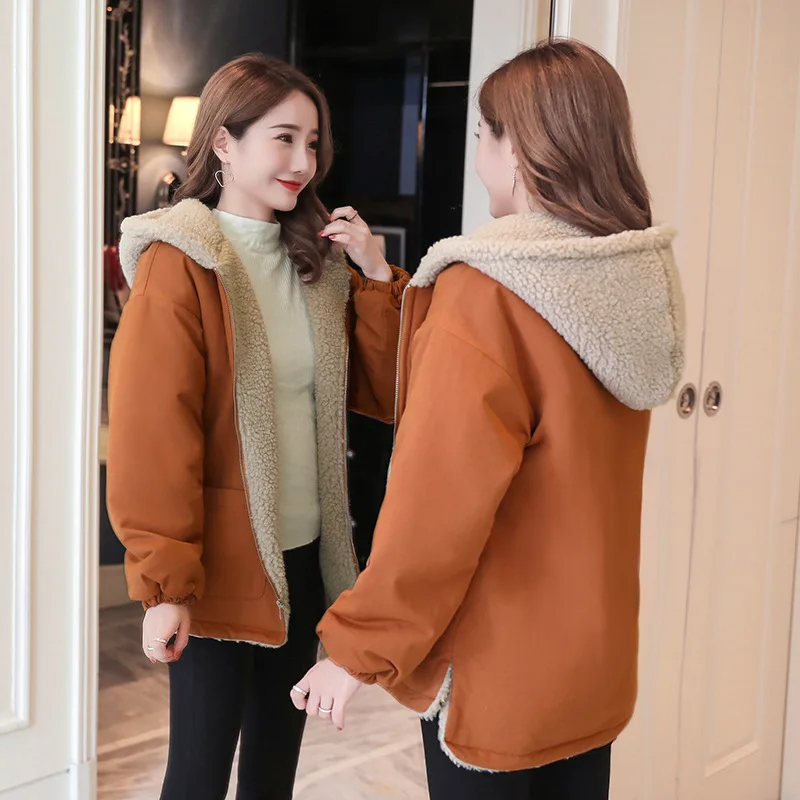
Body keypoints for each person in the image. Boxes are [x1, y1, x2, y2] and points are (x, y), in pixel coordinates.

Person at [291, 39, 685, 800]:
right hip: (591, 665)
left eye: (482, 134)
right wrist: (382, 284)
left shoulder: (488, 291)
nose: (478, 153)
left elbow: (437, 505)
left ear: (518, 149)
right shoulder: (625, 278)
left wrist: (357, 647)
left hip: (495, 676)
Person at [106, 53, 408, 800]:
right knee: (199, 773)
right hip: (215, 566)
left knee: (274, 771)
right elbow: (154, 434)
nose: (304, 162)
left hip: (303, 558)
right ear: (224, 143)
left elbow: (387, 390)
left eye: (314, 142)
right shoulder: (181, 262)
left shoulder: (319, 266)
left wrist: (376, 275)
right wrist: (165, 584)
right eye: (284, 138)